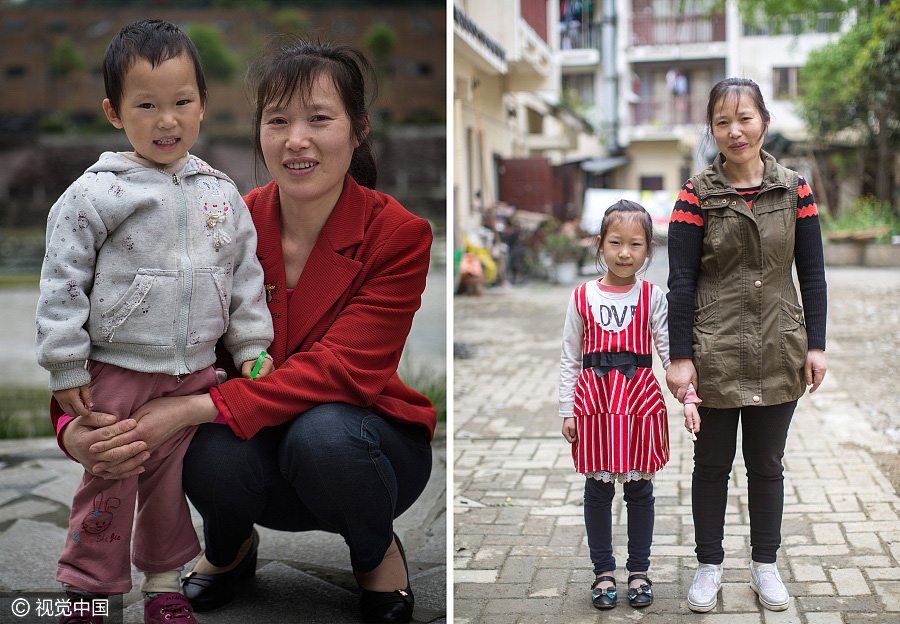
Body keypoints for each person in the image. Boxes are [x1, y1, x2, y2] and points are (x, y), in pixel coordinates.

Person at [57, 36, 436, 624]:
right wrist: (70, 428)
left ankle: (375, 552)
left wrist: (188, 410)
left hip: (364, 451)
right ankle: (229, 548)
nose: (296, 140)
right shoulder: (221, 213)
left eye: (319, 119)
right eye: (278, 120)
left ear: (359, 130)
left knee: (322, 433)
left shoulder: (398, 234)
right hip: (254, 451)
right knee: (208, 449)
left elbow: (346, 369)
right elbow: (112, 325)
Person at [35, 20, 274, 624]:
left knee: (168, 488)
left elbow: (244, 278)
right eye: (147, 105)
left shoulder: (220, 192)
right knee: (110, 475)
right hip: (117, 368)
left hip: (192, 371)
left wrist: (250, 348)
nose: (166, 120)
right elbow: (61, 281)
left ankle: (165, 584)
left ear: (202, 107)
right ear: (115, 113)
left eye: (181, 103)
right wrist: (64, 364)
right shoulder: (94, 195)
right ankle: (91, 587)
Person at [666, 77, 827, 613]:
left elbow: (813, 274)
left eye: (745, 118)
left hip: (780, 345)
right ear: (711, 130)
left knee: (767, 463)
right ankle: (708, 567)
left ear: (764, 121)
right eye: (721, 122)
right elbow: (681, 280)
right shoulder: (695, 194)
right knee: (711, 464)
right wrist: (682, 357)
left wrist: (817, 345)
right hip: (714, 350)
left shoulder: (795, 189)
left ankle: (765, 566)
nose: (735, 131)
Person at [559, 200, 700, 610]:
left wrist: (689, 397)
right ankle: (603, 572)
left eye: (635, 244)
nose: (625, 253)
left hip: (639, 405)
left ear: (648, 249)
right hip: (595, 405)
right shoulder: (582, 296)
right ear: (600, 245)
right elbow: (570, 356)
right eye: (616, 243)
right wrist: (566, 409)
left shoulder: (654, 297)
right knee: (597, 492)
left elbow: (670, 354)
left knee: (640, 490)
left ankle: (639, 571)